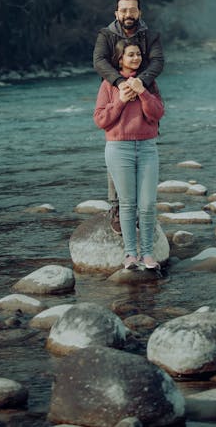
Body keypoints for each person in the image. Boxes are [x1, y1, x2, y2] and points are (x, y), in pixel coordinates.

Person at [93, 0, 164, 233]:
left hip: (144, 90)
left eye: (132, 10)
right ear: (117, 13)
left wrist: (140, 83)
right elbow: (99, 61)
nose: (128, 15)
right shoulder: (106, 35)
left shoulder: (150, 36)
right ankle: (117, 207)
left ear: (139, 13)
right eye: (123, 10)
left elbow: (157, 62)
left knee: (146, 147)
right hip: (116, 90)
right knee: (118, 148)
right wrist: (119, 83)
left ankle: (143, 211)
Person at [93, 38, 165, 270]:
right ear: (120, 59)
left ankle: (147, 255)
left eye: (138, 54)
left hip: (147, 148)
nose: (136, 58)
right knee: (127, 203)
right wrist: (122, 100)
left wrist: (142, 92)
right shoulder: (108, 84)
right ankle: (130, 255)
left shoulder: (150, 83)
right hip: (118, 149)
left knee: (147, 204)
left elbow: (157, 114)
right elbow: (101, 119)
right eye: (130, 55)